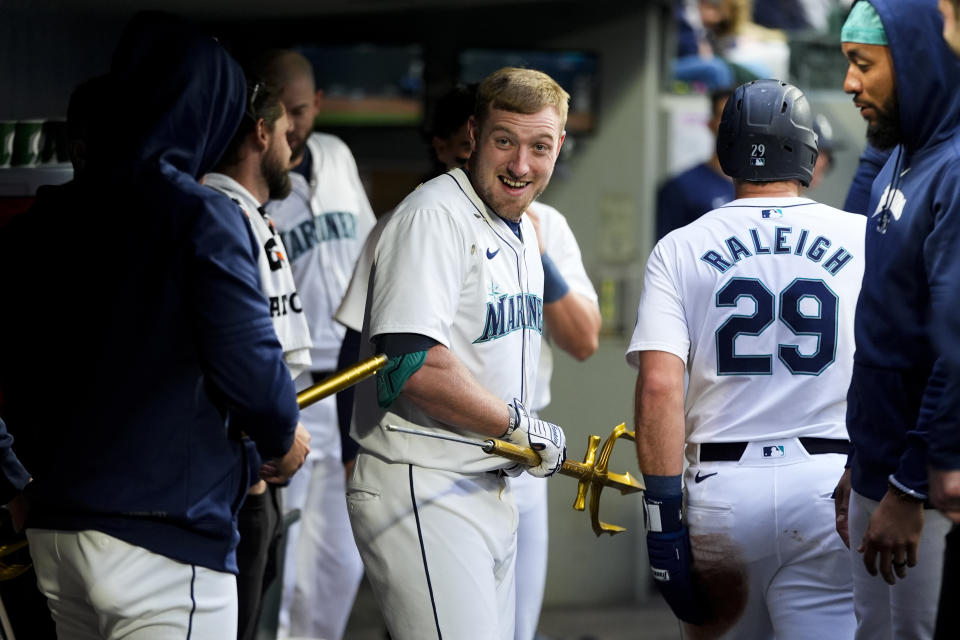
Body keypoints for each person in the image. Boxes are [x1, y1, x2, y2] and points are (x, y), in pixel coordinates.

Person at [0, 12, 309, 638]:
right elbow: (251, 369)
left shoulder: (37, 224)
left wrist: (9, 480)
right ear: (210, 115)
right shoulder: (200, 217)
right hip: (167, 544)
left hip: (55, 535)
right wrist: (282, 441)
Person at [334, 83, 601, 640]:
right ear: (473, 136)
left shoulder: (525, 230)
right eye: (505, 141)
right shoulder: (434, 215)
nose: (520, 164)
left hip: (487, 479)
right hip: (425, 479)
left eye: (540, 147)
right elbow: (412, 365)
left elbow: (581, 339)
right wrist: (518, 424)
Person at [629, 79, 863, 639]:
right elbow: (900, 365)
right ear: (808, 151)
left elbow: (660, 388)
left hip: (722, 491)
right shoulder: (862, 237)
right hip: (831, 484)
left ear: (727, 148)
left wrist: (662, 519)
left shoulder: (681, 246)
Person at [832, 1, 959, 638]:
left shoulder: (955, 170)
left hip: (925, 485)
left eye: (862, 65)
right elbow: (882, 330)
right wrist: (861, 461)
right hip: (880, 465)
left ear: (915, 62)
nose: (850, 83)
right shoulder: (899, 158)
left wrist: (911, 487)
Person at [253, 49, 376, 640]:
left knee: (343, 552)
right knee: (287, 545)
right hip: (295, 383)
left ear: (318, 105)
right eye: (282, 111)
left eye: (301, 109)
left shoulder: (337, 155)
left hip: (355, 380)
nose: (294, 123)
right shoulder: (257, 180)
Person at [203, 77, 313, 640]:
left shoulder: (247, 210)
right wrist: (264, 450)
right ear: (260, 132)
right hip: (238, 476)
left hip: (258, 468)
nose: (292, 149)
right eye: (286, 134)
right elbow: (235, 358)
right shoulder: (220, 211)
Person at [655, 89, 735, 240]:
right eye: (725, 117)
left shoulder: (765, 188)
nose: (733, 125)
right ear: (711, 123)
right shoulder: (681, 187)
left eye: (739, 117)